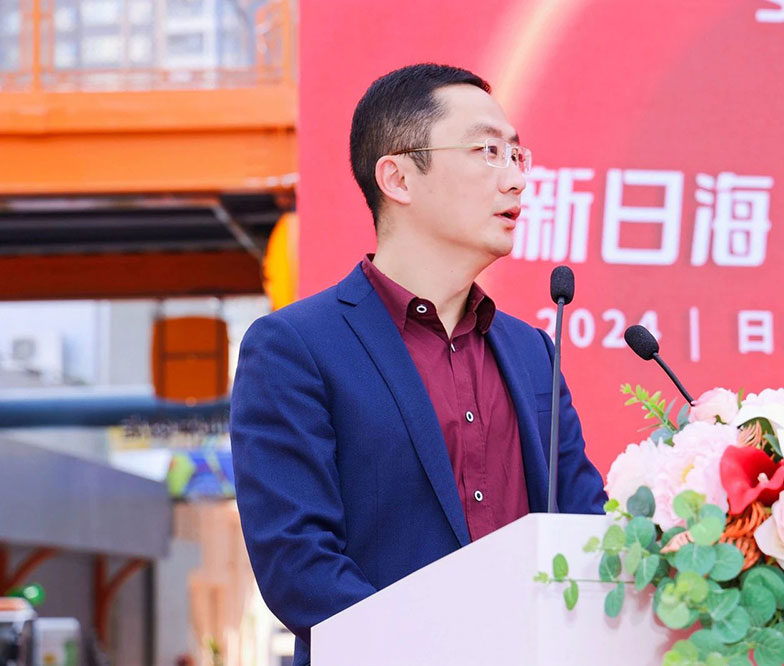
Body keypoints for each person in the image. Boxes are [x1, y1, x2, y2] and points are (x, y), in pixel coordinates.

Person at [230, 63, 606, 665]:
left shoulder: (534, 353)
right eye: (487, 152)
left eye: (517, 155)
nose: (515, 180)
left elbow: (588, 530)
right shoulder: (294, 348)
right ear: (398, 178)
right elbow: (299, 565)